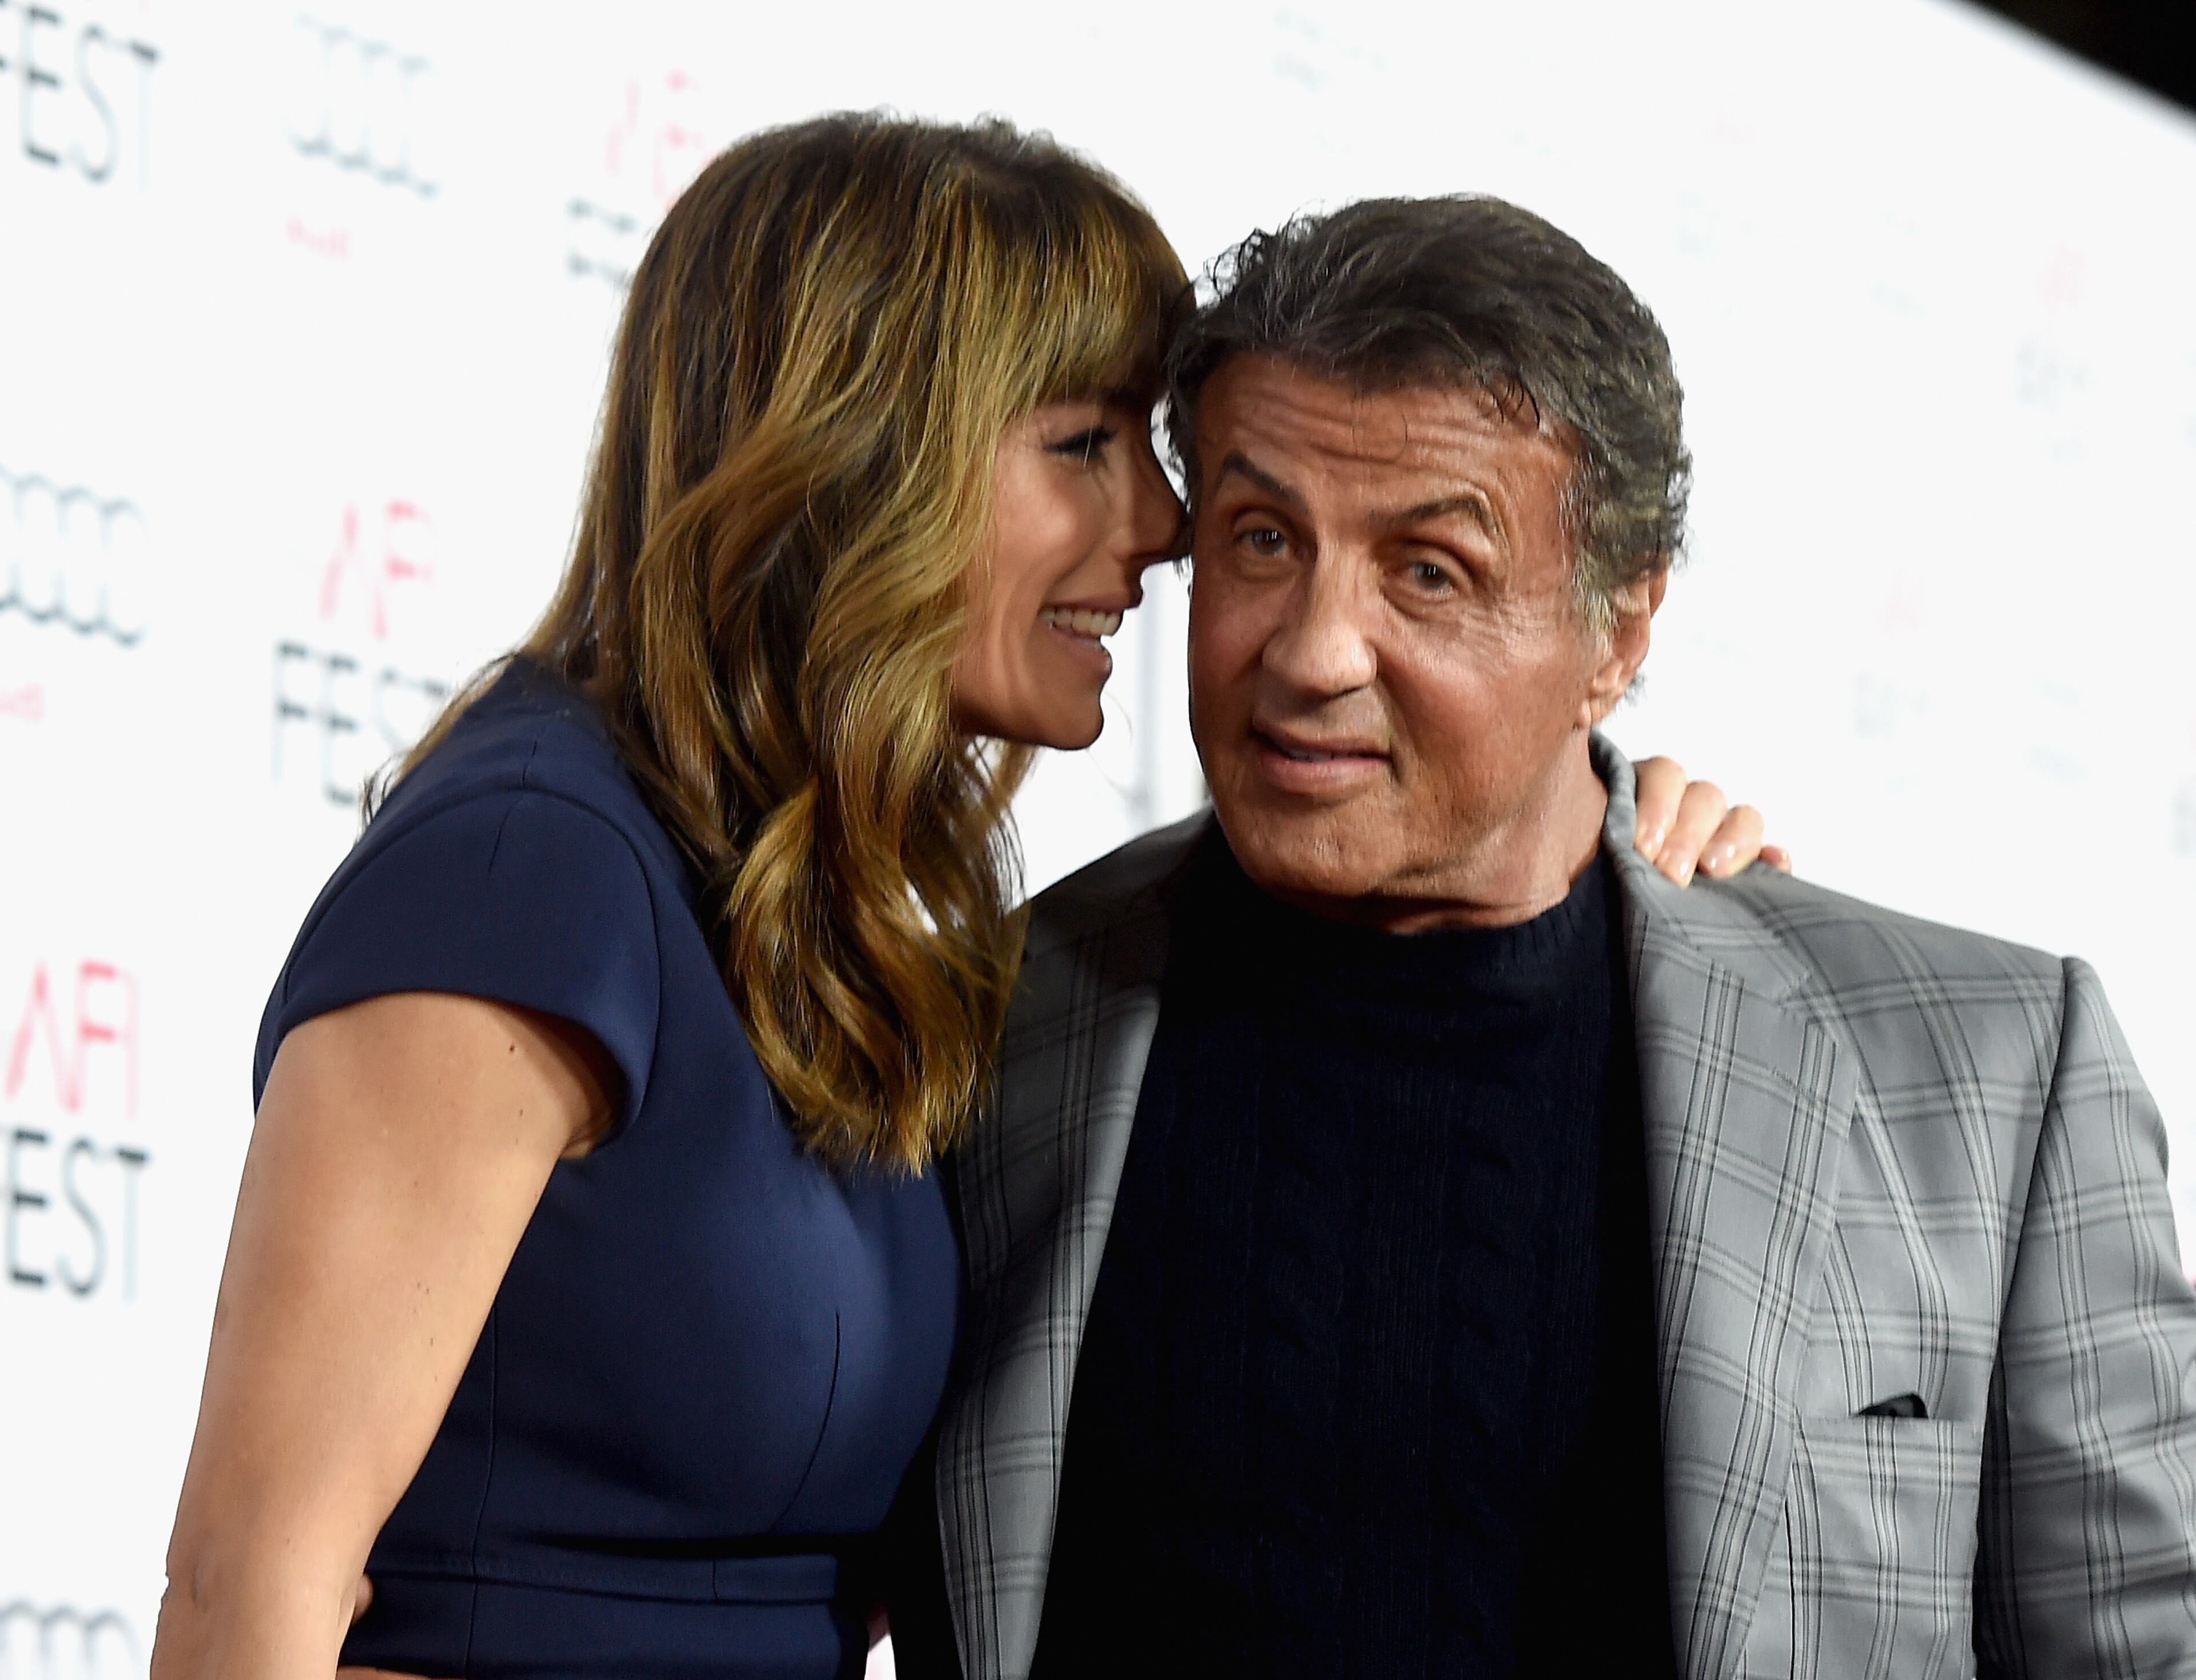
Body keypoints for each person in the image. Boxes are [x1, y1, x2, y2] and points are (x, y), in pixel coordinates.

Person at [150, 121, 1768, 1680]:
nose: (1161, 528)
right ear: (857, 457)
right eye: (1082, 447)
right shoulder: (532, 861)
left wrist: (1621, 839)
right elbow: (249, 1588)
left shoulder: (805, 907)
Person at [911, 196, 2196, 1680]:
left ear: (1620, 632)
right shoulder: (991, 1030)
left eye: (1430, 570)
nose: (1313, 651)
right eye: (1262, 539)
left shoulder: (1990, 1072)